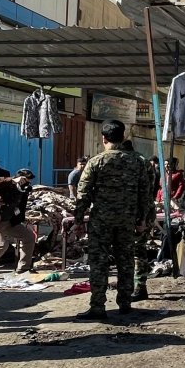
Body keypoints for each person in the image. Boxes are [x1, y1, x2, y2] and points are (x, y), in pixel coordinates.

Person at [75, 119, 155, 320]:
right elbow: (145, 194)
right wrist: (142, 219)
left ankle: (98, 307)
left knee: (99, 262)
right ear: (123, 137)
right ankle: (125, 302)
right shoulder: (138, 161)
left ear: (104, 139)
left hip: (101, 221)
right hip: (127, 221)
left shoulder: (96, 161)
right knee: (126, 261)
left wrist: (78, 219)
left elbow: (83, 193)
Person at [0, 174, 36, 274]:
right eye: (24, 180)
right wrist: (12, 180)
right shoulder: (6, 185)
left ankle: (23, 268)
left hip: (7, 221)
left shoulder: (23, 192)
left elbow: (20, 209)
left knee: (29, 237)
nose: (26, 183)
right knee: (2, 244)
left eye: (28, 181)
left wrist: (23, 221)